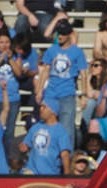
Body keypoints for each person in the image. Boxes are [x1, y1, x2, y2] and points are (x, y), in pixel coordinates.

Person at [36, 19, 88, 149]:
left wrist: (84, 95)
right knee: (46, 126)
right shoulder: (51, 50)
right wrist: (39, 90)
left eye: (64, 33)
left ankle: (67, 161)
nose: (60, 36)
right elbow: (45, 70)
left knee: (67, 130)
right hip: (51, 94)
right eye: (59, 33)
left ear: (70, 34)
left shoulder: (77, 52)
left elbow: (83, 74)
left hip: (67, 94)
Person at [0, 29, 28, 154]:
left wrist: (10, 59)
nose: (4, 45)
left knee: (9, 132)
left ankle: (8, 160)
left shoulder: (16, 56)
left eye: (7, 42)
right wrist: (0, 59)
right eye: (1, 42)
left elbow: (19, 73)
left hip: (12, 98)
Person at [19, 99, 71, 175]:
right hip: (32, 171)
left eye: (44, 107)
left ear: (52, 111)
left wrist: (67, 173)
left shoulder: (60, 131)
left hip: (50, 174)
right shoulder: (35, 127)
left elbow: (64, 154)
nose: (40, 109)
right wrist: (22, 147)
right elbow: (24, 144)